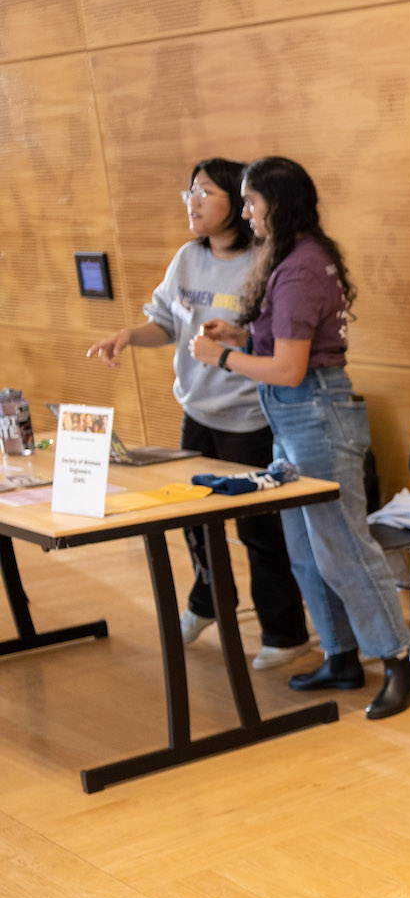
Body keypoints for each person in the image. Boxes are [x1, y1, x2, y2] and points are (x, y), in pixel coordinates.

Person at [191, 157, 410, 719]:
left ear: (278, 201)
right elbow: (286, 340)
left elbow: (291, 368)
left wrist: (221, 355)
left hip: (315, 414)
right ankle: (341, 656)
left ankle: (398, 665)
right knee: (303, 549)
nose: (246, 213)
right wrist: (241, 332)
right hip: (294, 419)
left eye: (251, 202)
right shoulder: (290, 258)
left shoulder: (300, 266)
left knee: (342, 547)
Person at [86, 158, 311, 670]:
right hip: (199, 412)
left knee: (259, 528)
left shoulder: (266, 260)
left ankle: (285, 631)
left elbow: (277, 343)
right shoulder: (187, 258)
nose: (193, 201)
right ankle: (210, 602)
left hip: (250, 417)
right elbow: (164, 322)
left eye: (205, 192)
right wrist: (128, 336)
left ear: (237, 200)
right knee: (191, 517)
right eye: (189, 191)